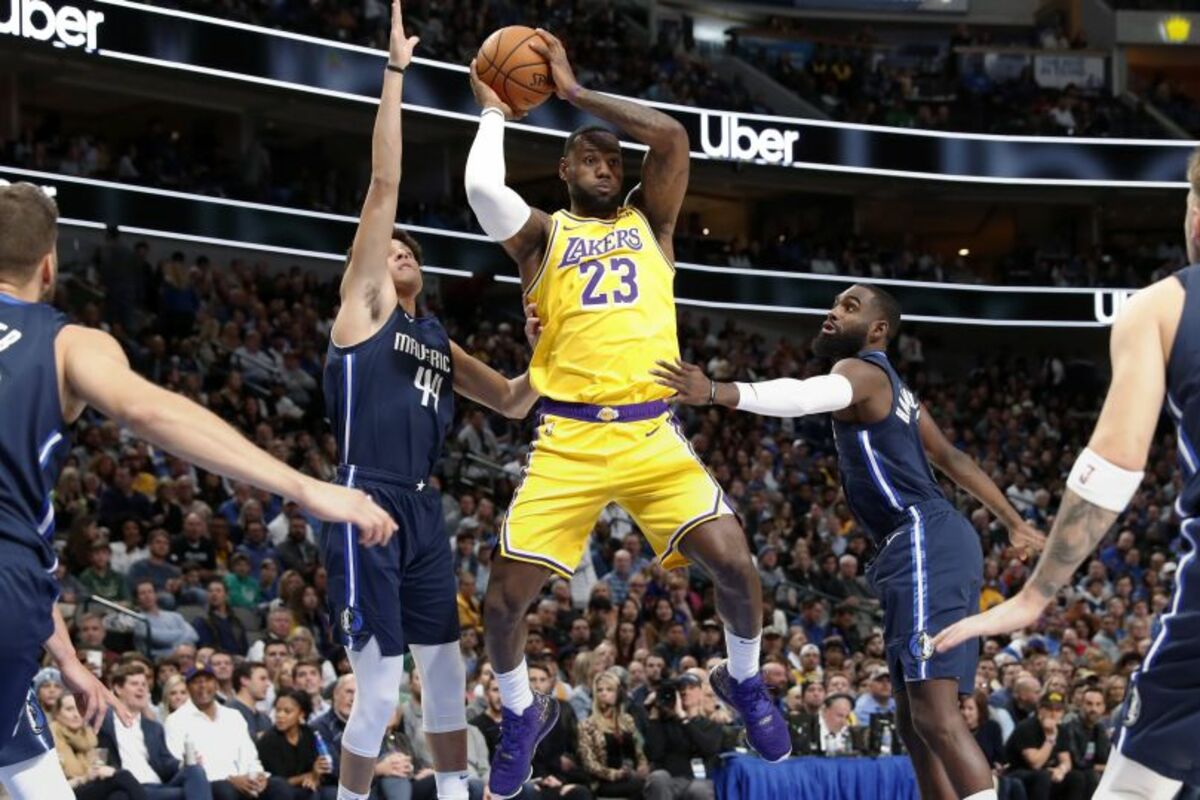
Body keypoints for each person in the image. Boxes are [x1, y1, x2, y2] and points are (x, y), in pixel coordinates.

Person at [463, 30, 789, 798]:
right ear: (564, 170)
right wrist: (495, 111)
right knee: (502, 603)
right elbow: (481, 190)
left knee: (736, 564)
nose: (606, 164)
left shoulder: (654, 225)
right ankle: (522, 713)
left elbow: (670, 138)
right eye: (589, 155)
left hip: (651, 432)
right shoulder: (543, 237)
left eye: (614, 157)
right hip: (570, 438)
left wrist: (576, 93)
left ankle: (743, 680)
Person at [0, 181, 394, 799]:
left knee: (31, 770)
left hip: (17, 590)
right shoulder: (66, 343)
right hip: (9, 588)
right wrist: (304, 486)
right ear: (49, 267)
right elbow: (147, 411)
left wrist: (70, 660)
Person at [655, 283, 1045, 800]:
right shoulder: (899, 392)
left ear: (878, 329)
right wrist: (1013, 521)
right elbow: (951, 457)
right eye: (837, 303)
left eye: (850, 306)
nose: (834, 311)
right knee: (914, 721)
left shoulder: (861, 371)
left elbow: (804, 396)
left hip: (922, 537)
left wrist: (715, 391)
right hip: (918, 544)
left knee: (936, 715)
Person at [317, 6, 538, 800]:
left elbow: (512, 401)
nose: (396, 252)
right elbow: (385, 184)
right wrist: (395, 73)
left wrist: (556, 344)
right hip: (364, 497)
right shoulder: (363, 307)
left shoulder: (438, 340)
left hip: (421, 509)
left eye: (408, 249)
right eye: (388, 248)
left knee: (446, 678)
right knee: (379, 689)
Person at [934, 147, 1200, 799]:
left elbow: (1113, 463)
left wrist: (1036, 596)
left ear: (1196, 215)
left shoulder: (1162, 309)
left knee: (1134, 789)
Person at [164, 667, 289, 800]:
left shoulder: (233, 716)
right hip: (210, 784)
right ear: (188, 688)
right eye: (196, 682)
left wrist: (257, 775)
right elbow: (182, 767)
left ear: (216, 685)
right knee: (225, 790)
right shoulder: (176, 720)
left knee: (279, 786)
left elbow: (249, 755)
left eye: (208, 680)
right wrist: (230, 779)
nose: (203, 686)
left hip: (244, 780)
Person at [98, 665, 210, 800]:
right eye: (134, 684)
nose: (141, 688)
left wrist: (183, 763)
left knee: (195, 770)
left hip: (158, 785)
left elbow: (165, 762)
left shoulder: (153, 728)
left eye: (144, 685)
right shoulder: (102, 722)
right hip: (127, 786)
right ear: (118, 689)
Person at [51, 694, 148, 800]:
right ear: (57, 714)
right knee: (123, 776)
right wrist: (84, 778)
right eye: (69, 709)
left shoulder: (92, 735)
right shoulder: (51, 740)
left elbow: (107, 765)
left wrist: (103, 770)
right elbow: (51, 787)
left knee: (119, 796)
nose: (76, 714)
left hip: (92, 788)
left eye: (79, 709)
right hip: (68, 793)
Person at [643, 674, 721, 800]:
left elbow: (708, 749)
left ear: (701, 693)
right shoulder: (664, 724)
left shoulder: (710, 725)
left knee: (699, 790)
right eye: (681, 689)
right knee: (658, 777)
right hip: (669, 781)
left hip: (697, 781)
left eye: (691, 688)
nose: (685, 692)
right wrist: (654, 716)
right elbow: (654, 754)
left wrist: (683, 718)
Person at [577, 671, 647, 798]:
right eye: (600, 690)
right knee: (637, 785)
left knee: (651, 781)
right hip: (604, 781)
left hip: (631, 774)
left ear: (618, 694)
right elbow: (589, 764)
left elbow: (639, 751)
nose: (603, 693)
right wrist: (615, 774)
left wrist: (642, 766)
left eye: (609, 690)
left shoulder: (627, 720)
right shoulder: (587, 725)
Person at [1004, 691, 1086, 800]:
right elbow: (1036, 764)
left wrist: (1060, 770)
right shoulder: (1026, 727)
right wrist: (1050, 738)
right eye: (1049, 709)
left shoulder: (1061, 730)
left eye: (1058, 710)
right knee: (1043, 776)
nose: (1053, 714)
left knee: (1076, 777)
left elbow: (1066, 761)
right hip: (1019, 773)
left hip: (1046, 773)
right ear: (1040, 710)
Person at [256, 690, 332, 798]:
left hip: (306, 787)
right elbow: (278, 783)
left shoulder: (309, 733)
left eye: (287, 711)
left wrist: (316, 777)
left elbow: (319, 769)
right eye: (278, 710)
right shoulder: (268, 740)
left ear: (301, 714)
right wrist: (311, 775)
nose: (280, 715)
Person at [227, 662, 273, 742]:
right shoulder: (228, 712)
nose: (267, 684)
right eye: (262, 679)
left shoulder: (265, 719)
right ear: (244, 680)